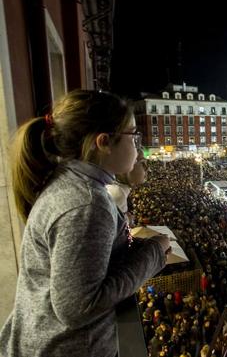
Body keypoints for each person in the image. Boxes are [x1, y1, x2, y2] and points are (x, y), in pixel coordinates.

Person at [0, 90, 171, 357]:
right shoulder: (87, 204)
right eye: (133, 135)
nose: (139, 147)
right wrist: (154, 253)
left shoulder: (70, 184)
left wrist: (139, 247)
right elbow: (78, 308)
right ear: (103, 142)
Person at [107, 148, 148, 224]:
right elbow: (118, 234)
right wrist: (127, 222)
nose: (146, 168)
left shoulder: (117, 189)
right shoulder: (117, 193)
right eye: (142, 163)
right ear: (127, 164)